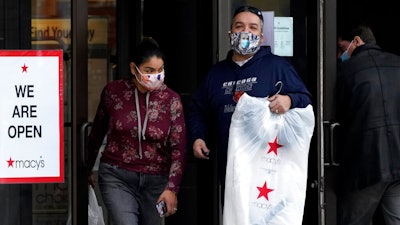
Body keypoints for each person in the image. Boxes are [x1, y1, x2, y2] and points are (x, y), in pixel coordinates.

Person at [188, 5, 312, 206]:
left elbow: (305, 99)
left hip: (268, 169)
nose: (246, 32)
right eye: (240, 26)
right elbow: (197, 109)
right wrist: (197, 137)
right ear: (230, 34)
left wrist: (289, 100)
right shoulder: (216, 74)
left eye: (253, 27)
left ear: (261, 37)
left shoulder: (277, 67)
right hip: (231, 169)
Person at [87, 37, 187, 225]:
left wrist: (172, 188)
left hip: (156, 180)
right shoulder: (113, 92)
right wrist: (85, 169)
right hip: (117, 175)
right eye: (149, 70)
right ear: (134, 69)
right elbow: (97, 132)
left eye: (160, 70)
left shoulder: (171, 100)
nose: (156, 75)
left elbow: (179, 148)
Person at [336, 23, 400, 225]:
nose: (339, 55)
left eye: (341, 48)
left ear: (356, 41)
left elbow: (339, 114)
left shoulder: (346, 70)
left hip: (365, 165)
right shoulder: (398, 63)